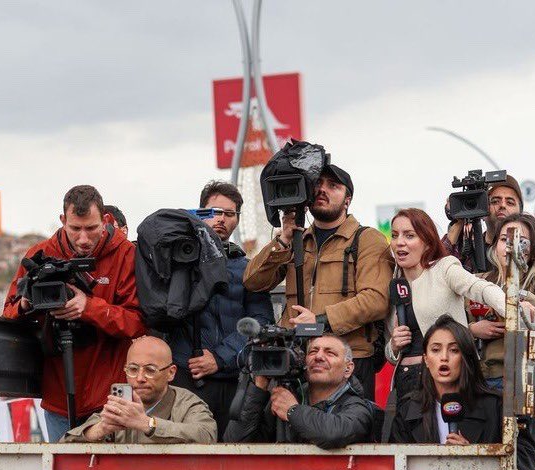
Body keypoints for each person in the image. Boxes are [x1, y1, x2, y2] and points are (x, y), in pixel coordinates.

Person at [3, 185, 146, 441]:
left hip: (111, 395)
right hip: (57, 395)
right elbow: (7, 316)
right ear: (62, 221)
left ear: (105, 220)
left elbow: (138, 322)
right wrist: (26, 305)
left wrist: (88, 307)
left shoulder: (126, 255)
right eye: (75, 229)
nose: (83, 239)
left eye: (91, 229)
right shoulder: (38, 256)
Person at [243, 162, 393, 400]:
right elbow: (252, 281)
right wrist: (283, 240)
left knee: (349, 431)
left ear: (347, 199)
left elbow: (377, 299)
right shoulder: (296, 239)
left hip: (348, 358)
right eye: (317, 184)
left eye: (333, 186)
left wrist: (320, 321)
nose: (322, 190)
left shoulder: (367, 239)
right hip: (296, 357)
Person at [168, 180, 274, 439]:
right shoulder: (176, 262)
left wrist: (219, 358)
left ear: (237, 219)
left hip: (235, 379)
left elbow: (261, 322)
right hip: (186, 377)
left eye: (229, 214)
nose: (220, 220)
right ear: (199, 213)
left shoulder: (248, 269)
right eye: (213, 212)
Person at [385, 209, 507, 403]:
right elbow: (391, 354)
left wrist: (513, 309)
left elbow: (481, 289)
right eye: (394, 235)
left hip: (448, 380)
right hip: (406, 384)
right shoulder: (395, 285)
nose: (400, 242)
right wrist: (393, 345)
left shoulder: (444, 268)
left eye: (409, 235)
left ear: (427, 243)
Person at [388, 316, 535, 470]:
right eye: (435, 350)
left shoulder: (496, 405)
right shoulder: (409, 409)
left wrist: (475, 455)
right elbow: (392, 467)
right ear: (426, 359)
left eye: (454, 350)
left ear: (466, 357)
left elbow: (528, 459)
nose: (444, 358)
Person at [471, 213, 535, 389]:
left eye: (521, 241)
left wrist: (530, 302)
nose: (510, 247)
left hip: (525, 379)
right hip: (478, 377)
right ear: (496, 245)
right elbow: (448, 325)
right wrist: (472, 330)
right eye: (505, 239)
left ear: (532, 250)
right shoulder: (478, 283)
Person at [224, 334, 373, 448]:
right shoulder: (285, 397)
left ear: (348, 368)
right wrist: (259, 388)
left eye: (330, 353)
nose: (319, 356)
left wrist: (292, 411)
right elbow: (234, 442)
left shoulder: (358, 407)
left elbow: (334, 434)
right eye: (313, 351)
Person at [63, 336, 216, 444]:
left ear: (171, 373)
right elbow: (64, 444)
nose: (140, 378)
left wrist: (147, 424)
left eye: (150, 370)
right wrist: (99, 430)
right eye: (133, 369)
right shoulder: (122, 403)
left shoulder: (187, 403)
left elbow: (206, 435)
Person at [443, 175, 523, 272]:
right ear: (482, 210)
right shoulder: (468, 251)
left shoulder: (528, 250)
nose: (502, 205)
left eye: (510, 202)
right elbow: (437, 273)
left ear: (520, 212)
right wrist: (458, 220)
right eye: (495, 201)